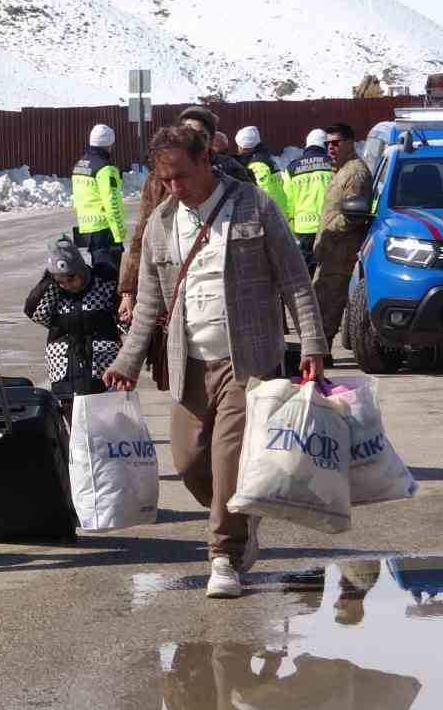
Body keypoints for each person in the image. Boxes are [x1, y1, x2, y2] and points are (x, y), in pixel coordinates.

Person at [104, 125, 327, 600]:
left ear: (206, 160)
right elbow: (148, 304)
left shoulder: (254, 205)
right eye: (166, 180)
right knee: (188, 462)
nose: (175, 189)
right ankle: (241, 515)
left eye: (182, 176)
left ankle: (223, 555)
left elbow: (294, 281)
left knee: (228, 458)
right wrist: (126, 361)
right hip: (189, 362)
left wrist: (312, 345)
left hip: (246, 360)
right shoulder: (162, 222)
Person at [24, 236, 122, 409]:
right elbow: (34, 311)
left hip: (101, 368)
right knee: (76, 426)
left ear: (81, 269)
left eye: (71, 279)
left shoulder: (103, 284)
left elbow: (123, 316)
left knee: (107, 422)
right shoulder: (54, 294)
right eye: (60, 282)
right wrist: (49, 281)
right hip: (66, 373)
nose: (67, 285)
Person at [312, 122, 373, 357]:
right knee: (320, 302)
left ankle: (322, 354)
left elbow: (354, 216)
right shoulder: (340, 171)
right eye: (327, 144)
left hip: (341, 252)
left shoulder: (355, 173)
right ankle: (320, 351)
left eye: (336, 143)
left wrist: (329, 229)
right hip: (330, 251)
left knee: (327, 305)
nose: (330, 148)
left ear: (350, 143)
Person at [71, 124, 128, 273]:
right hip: (104, 229)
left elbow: (78, 199)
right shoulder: (106, 168)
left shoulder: (80, 165)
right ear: (110, 144)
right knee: (109, 279)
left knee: (98, 275)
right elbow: (112, 203)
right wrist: (119, 233)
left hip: (87, 228)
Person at [118, 168, 168, 327]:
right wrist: (128, 291)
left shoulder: (231, 175)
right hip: (166, 287)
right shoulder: (157, 180)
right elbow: (142, 235)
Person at [284, 135, 334, 272]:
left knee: (307, 268)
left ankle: (310, 292)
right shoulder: (333, 164)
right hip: (329, 224)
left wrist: (290, 222)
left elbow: (289, 199)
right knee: (328, 268)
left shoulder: (292, 168)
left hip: (303, 227)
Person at [178, 106, 253, 184]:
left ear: (211, 140)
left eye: (201, 135)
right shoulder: (171, 168)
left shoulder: (230, 169)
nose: (195, 140)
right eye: (189, 134)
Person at [234, 125, 288, 216]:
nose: (237, 149)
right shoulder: (267, 159)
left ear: (243, 147)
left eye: (238, 146)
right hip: (281, 209)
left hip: (272, 214)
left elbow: (265, 191)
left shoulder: (257, 164)